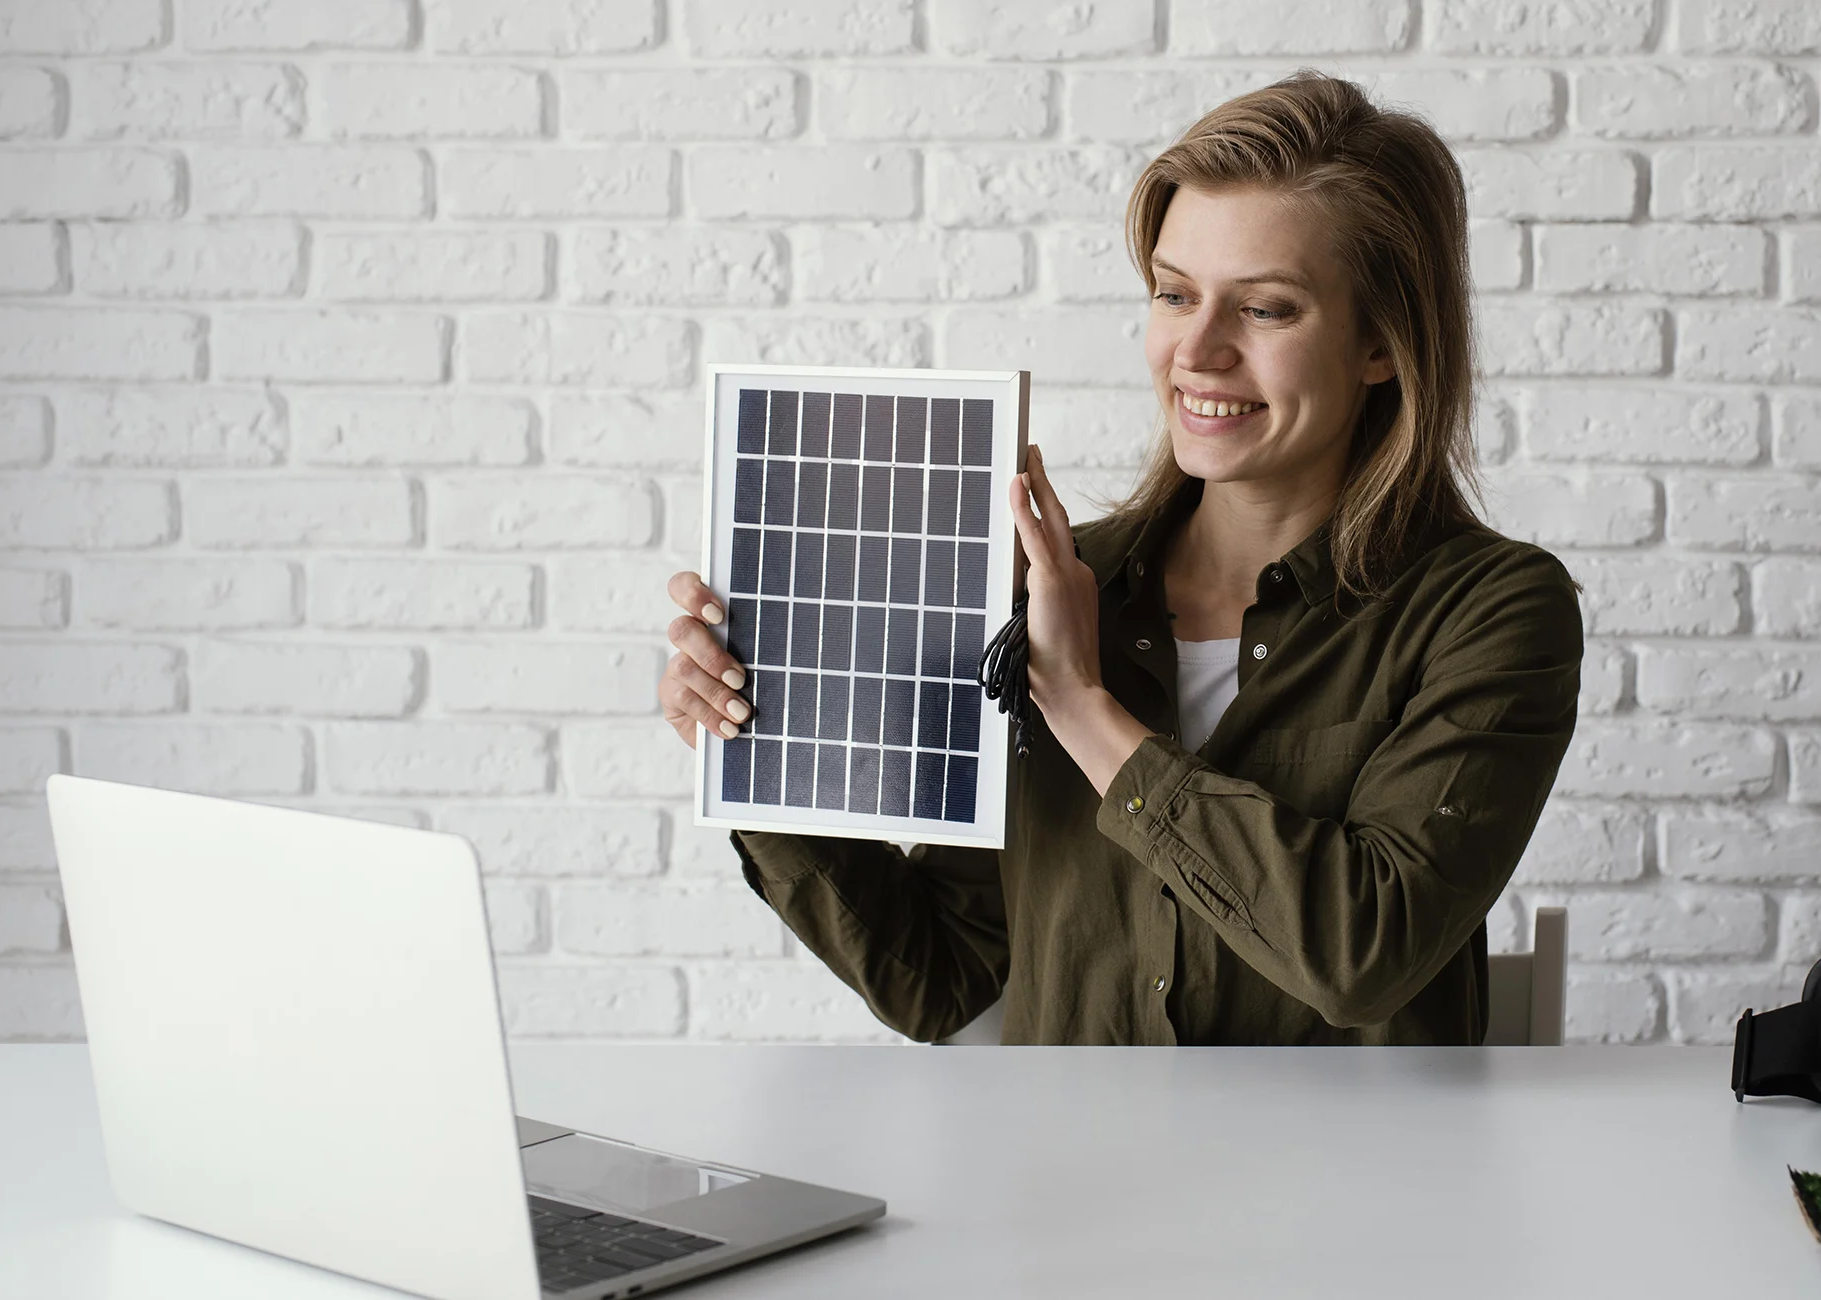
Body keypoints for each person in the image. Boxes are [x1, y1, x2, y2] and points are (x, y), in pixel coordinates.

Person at [659, 71, 1584, 1046]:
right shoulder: (1050, 583)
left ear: (1380, 346)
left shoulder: (1491, 612)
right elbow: (940, 975)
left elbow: (1361, 955)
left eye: (1265, 309)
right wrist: (754, 748)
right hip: (1074, 1190)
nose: (1197, 349)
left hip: (1354, 1193)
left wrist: (1078, 704)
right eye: (1174, 293)